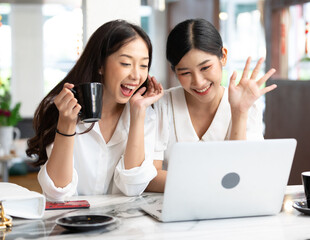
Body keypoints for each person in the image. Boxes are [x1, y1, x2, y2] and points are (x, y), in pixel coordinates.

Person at [26, 20, 163, 201]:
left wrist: (137, 114)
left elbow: (133, 187)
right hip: (72, 223)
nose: (136, 75)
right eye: (126, 63)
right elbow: (57, 193)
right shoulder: (64, 109)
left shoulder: (145, 114)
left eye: (144, 65)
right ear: (100, 65)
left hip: (125, 225)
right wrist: (66, 125)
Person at [146, 18, 277, 192]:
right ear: (174, 71)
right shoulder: (162, 105)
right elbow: (149, 177)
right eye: (185, 72)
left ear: (223, 56)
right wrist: (210, 182)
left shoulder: (247, 106)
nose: (199, 82)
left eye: (205, 67)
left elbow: (242, 175)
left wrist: (239, 113)